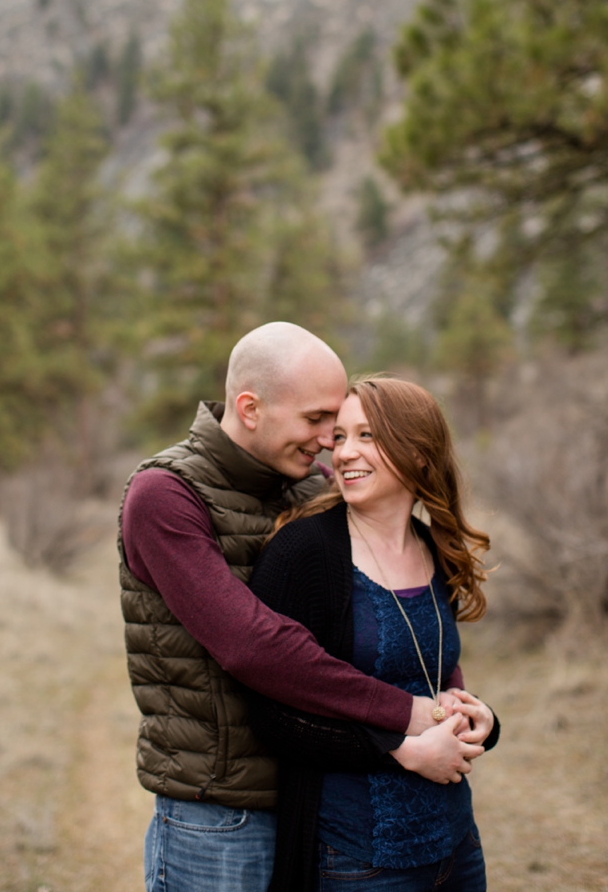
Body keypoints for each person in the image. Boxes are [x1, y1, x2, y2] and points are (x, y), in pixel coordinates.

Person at [119, 322, 480, 892]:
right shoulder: (165, 494)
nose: (330, 441)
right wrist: (409, 717)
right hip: (219, 812)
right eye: (317, 421)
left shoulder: (308, 489)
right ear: (251, 408)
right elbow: (254, 645)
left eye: (336, 425)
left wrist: (451, 699)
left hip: (313, 796)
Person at [246, 376, 499, 891]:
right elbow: (269, 715)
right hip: (357, 857)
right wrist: (396, 749)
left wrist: (481, 717)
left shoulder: (433, 547)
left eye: (367, 436)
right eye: (339, 437)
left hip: (455, 845)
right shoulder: (304, 554)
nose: (343, 453)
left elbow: (434, 675)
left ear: (419, 454)